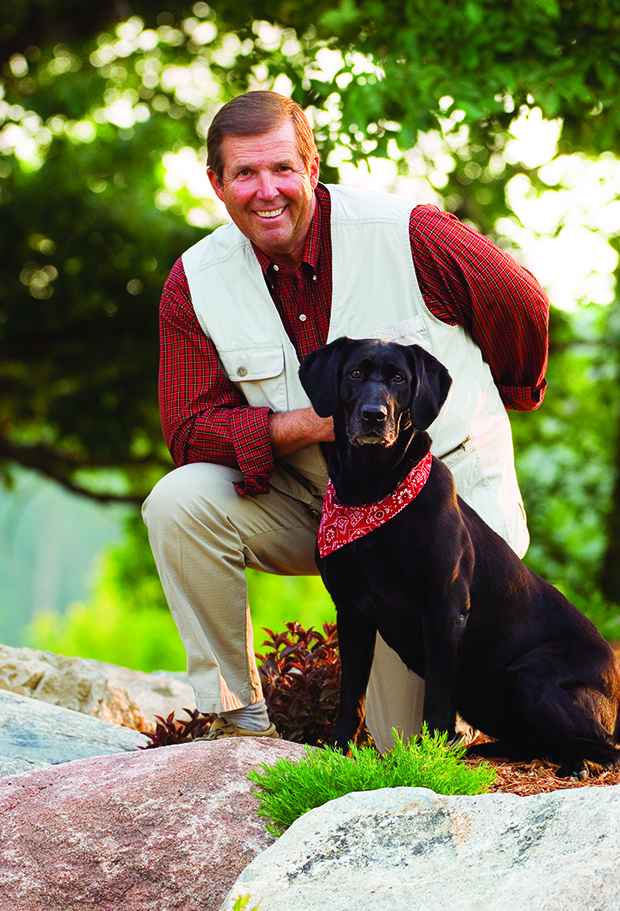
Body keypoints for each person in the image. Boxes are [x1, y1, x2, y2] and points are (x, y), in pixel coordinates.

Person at [143, 90, 549, 749]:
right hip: (320, 503)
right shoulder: (194, 282)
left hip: (439, 521)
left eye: (281, 168)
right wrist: (305, 425)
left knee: (402, 750)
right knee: (178, 502)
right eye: (244, 173)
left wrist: (513, 391)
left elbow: (517, 298)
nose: (265, 190)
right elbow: (190, 433)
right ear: (216, 183)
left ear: (312, 164)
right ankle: (237, 726)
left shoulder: (407, 231)